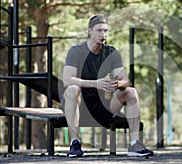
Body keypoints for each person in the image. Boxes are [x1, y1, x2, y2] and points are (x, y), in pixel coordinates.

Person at [62, 15, 154, 158]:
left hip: (103, 106)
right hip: (79, 106)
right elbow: (67, 80)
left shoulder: (111, 52)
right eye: (99, 30)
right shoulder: (76, 50)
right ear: (89, 31)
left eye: (105, 31)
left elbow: (126, 81)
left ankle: (134, 144)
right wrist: (96, 83)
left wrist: (116, 84)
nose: (103, 34)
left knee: (130, 92)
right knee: (72, 89)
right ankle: (75, 143)